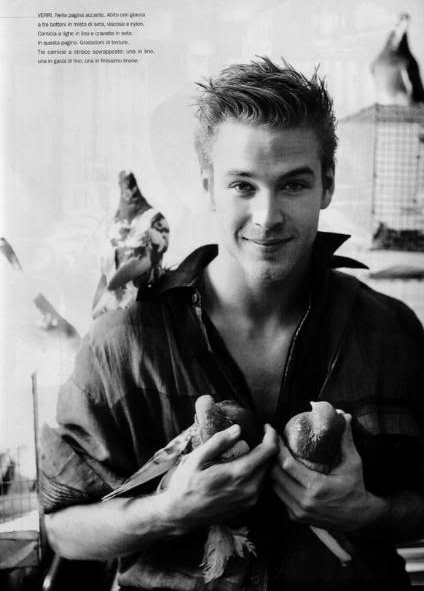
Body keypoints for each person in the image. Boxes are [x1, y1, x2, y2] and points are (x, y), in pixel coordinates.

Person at [40, 57, 424, 590]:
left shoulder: (392, 332)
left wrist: (368, 513)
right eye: (243, 185)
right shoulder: (121, 345)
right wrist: (169, 511)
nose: (267, 217)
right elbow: (62, 530)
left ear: (328, 185)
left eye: (293, 185)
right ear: (208, 186)